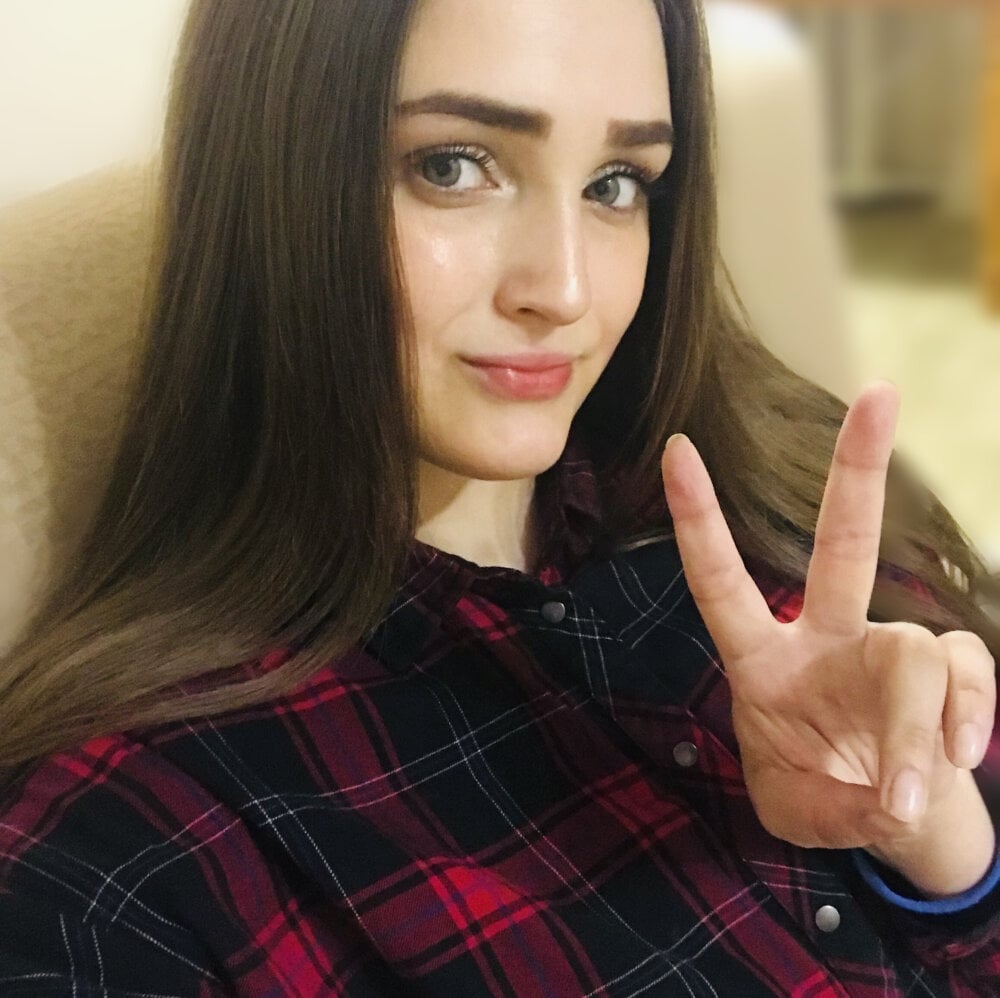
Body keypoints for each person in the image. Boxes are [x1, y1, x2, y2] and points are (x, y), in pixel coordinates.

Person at [0, 0, 998, 993]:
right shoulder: (122, 855)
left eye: (616, 183)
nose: (564, 289)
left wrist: (937, 846)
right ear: (272, 182)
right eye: (452, 166)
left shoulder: (770, 479)